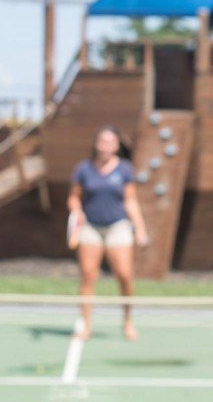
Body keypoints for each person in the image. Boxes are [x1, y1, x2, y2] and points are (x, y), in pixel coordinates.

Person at [67, 125, 149, 341]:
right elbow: (74, 197)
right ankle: (85, 325)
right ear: (96, 144)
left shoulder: (124, 169)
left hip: (118, 226)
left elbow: (130, 200)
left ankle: (128, 321)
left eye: (109, 142)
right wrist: (77, 211)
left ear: (116, 146)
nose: (105, 146)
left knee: (124, 275)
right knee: (88, 276)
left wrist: (139, 227)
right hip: (90, 227)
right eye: (102, 141)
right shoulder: (83, 169)